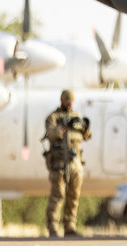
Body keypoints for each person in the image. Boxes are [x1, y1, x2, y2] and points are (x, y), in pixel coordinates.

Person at [43, 89, 92, 237]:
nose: (70, 105)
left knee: (74, 195)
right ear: (62, 101)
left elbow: (85, 135)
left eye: (71, 102)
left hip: (75, 162)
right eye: (67, 102)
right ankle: (52, 226)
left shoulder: (77, 116)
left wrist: (86, 130)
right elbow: (49, 133)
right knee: (57, 195)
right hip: (59, 162)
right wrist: (60, 130)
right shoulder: (54, 117)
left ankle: (70, 225)